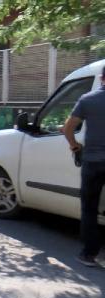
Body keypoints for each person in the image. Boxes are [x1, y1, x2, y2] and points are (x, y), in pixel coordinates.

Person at [63, 66, 105, 267]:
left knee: (89, 208)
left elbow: (68, 127)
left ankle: (89, 254)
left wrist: (74, 145)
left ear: (101, 78)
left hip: (93, 162)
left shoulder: (88, 99)